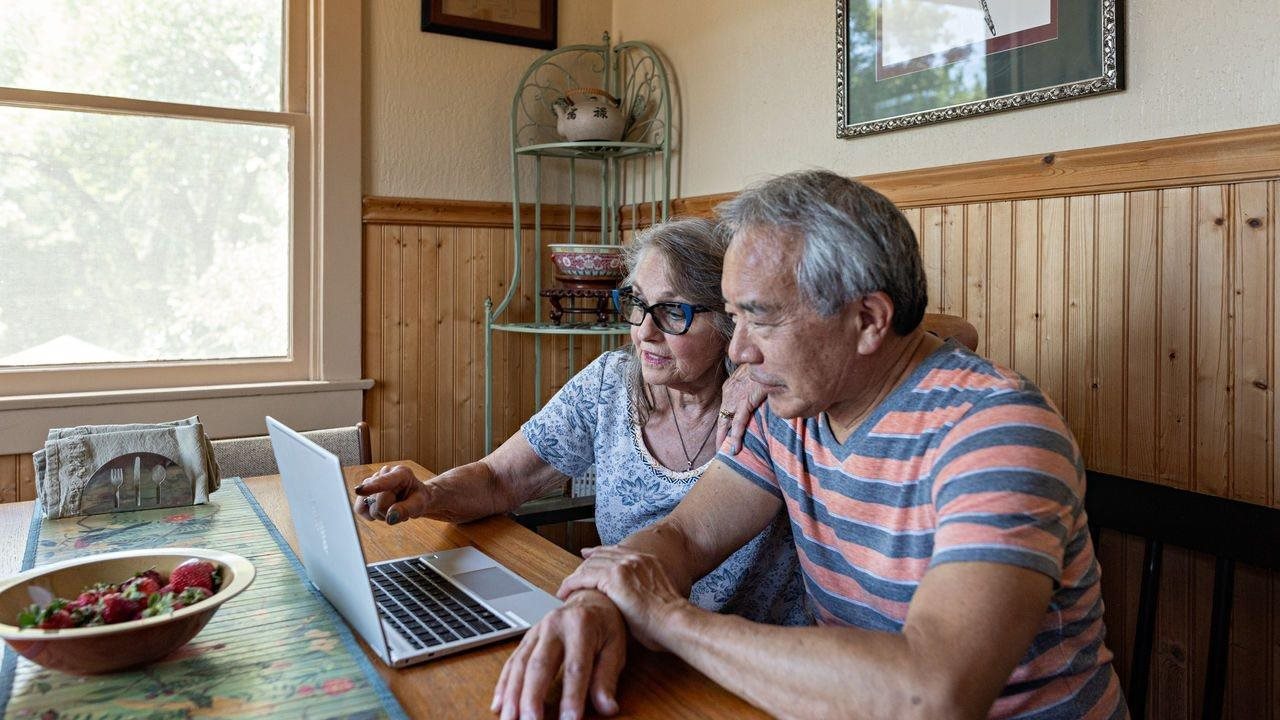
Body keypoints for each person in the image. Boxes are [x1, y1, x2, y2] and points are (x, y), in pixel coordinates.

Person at [492, 171, 1127, 720]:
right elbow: (683, 537)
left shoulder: (997, 432)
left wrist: (669, 620)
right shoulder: (789, 407)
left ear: (868, 321)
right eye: (734, 318)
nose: (739, 352)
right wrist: (596, 603)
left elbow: (932, 694)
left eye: (761, 319)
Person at [353, 217, 807, 628]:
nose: (644, 332)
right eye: (637, 303)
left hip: (745, 653)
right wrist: (429, 494)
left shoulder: (768, 402)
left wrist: (763, 369)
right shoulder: (610, 383)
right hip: (626, 628)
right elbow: (500, 478)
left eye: (673, 312)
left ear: (731, 321)